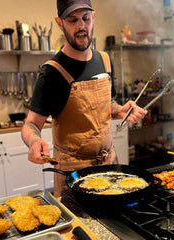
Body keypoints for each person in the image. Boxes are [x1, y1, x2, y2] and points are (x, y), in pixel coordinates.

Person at [21, 0, 147, 198]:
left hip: (109, 164)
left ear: (93, 17)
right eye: (72, 20)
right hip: (73, 172)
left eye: (85, 18)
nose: (81, 26)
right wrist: (34, 141)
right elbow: (31, 124)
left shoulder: (104, 60)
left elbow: (107, 103)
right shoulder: (52, 72)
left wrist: (119, 110)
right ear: (60, 23)